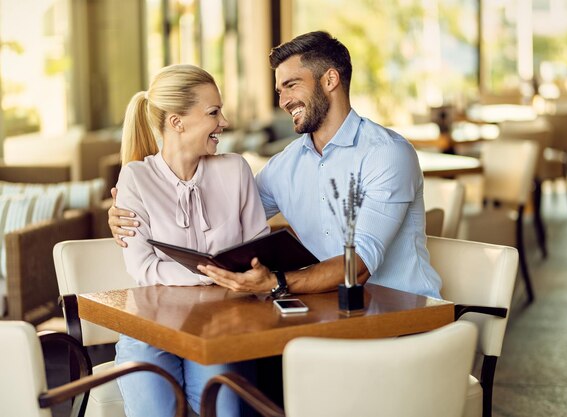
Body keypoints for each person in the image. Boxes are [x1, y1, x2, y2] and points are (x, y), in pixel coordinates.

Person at [109, 31, 441, 300]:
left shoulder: (387, 154)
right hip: (330, 312)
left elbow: (359, 266)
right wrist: (134, 212)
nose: (283, 101)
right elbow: (224, 209)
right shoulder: (286, 166)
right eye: (279, 90)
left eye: (292, 85)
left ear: (330, 80)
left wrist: (274, 282)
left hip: (403, 312)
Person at [113, 64, 268, 417]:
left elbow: (258, 252)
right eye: (213, 112)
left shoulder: (235, 169)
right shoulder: (135, 178)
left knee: (222, 410)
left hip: (221, 326)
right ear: (176, 122)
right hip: (152, 328)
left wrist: (246, 273)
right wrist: (219, 274)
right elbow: (143, 267)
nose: (224, 122)